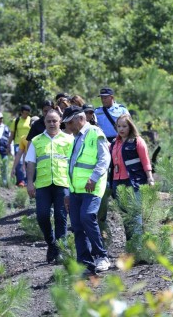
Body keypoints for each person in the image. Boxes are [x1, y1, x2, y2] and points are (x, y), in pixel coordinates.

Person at [62, 106, 111, 274]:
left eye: (69, 123)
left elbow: (105, 159)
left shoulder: (95, 133)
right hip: (75, 189)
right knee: (76, 224)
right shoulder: (74, 138)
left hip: (92, 187)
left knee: (87, 217)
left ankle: (101, 256)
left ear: (79, 119)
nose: (67, 127)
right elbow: (71, 168)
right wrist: (68, 193)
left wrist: (94, 178)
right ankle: (84, 263)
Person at [26, 109, 74, 263]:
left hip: (63, 183)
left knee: (61, 217)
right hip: (43, 185)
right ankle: (51, 243)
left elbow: (74, 163)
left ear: (60, 122)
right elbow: (31, 163)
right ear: (44, 122)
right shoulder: (36, 140)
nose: (52, 124)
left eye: (55, 121)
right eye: (49, 121)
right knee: (42, 215)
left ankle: (61, 250)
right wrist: (29, 183)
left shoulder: (69, 140)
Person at [110, 114, 154, 239]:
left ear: (130, 126)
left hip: (134, 182)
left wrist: (150, 178)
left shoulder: (137, 141)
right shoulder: (114, 143)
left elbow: (145, 161)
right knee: (125, 216)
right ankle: (130, 246)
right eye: (119, 126)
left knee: (135, 215)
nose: (121, 129)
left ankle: (138, 248)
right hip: (117, 183)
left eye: (124, 126)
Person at [11, 116, 39, 182]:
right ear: (29, 125)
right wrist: (13, 168)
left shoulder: (46, 138)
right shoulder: (24, 138)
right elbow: (19, 154)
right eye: (32, 125)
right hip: (30, 165)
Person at [8, 105, 31, 186]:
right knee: (19, 162)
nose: (26, 115)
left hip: (28, 143)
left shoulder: (30, 120)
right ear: (21, 112)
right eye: (24, 113)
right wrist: (8, 144)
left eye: (27, 114)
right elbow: (12, 134)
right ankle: (20, 180)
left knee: (27, 162)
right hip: (18, 143)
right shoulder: (16, 121)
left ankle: (26, 180)